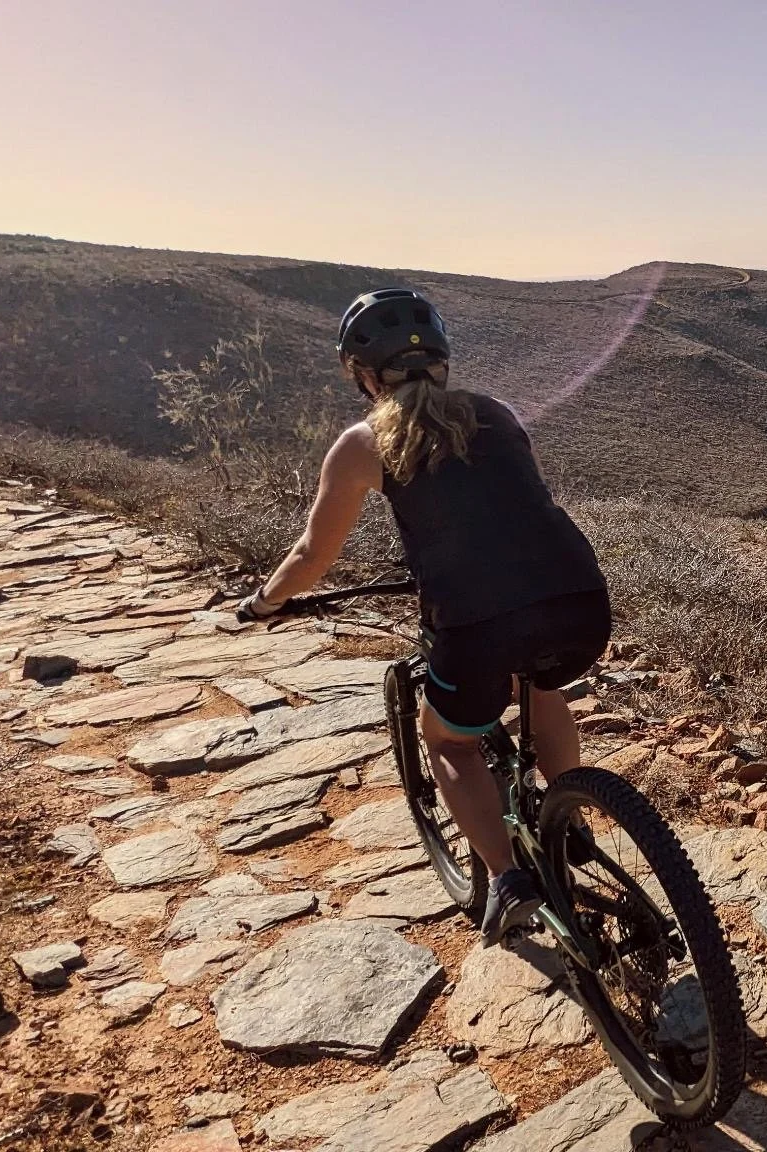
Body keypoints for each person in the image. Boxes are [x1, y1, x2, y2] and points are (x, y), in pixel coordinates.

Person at [236, 287, 610, 943]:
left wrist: (265, 601)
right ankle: (571, 822)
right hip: (579, 599)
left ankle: (506, 880)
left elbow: (310, 553)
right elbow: (519, 500)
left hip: (478, 625)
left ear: (363, 374)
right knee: (543, 690)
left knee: (449, 742)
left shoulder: (361, 445)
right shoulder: (498, 413)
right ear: (442, 361)